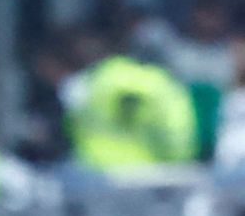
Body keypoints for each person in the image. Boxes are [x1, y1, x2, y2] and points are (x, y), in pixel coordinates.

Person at [68, 37, 198, 169]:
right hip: (152, 174)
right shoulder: (165, 86)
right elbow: (178, 140)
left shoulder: (97, 77)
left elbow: (72, 122)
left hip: (96, 172)